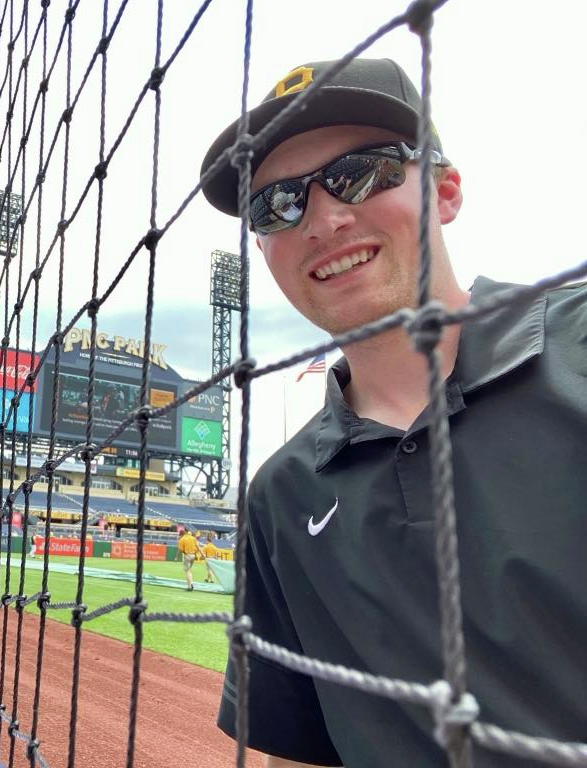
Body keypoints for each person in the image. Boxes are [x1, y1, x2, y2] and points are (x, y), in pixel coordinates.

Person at [200, 58, 587, 767]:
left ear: (445, 190)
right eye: (277, 204)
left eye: (362, 172)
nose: (322, 218)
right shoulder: (281, 497)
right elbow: (299, 753)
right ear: (262, 244)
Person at [177, 526, 202, 591]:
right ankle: (191, 583)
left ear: (184, 531)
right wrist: (203, 555)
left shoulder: (182, 539)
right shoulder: (193, 538)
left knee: (187, 571)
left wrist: (176, 557)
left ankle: (189, 587)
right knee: (189, 570)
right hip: (193, 556)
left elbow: (180, 550)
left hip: (187, 555)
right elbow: (198, 547)